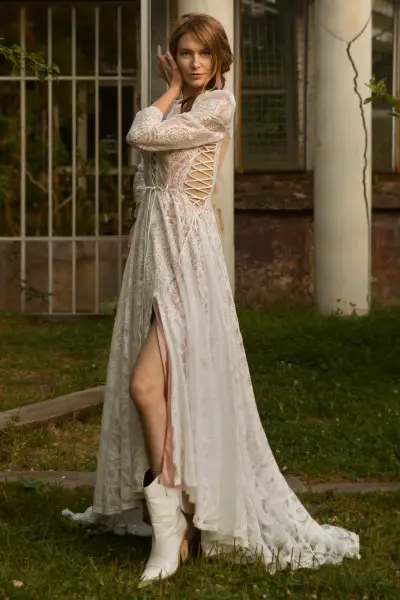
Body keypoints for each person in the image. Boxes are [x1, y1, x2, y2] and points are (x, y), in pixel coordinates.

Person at [63, 12, 360, 588]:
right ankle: (177, 519)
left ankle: (172, 528)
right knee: (160, 390)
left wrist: (170, 86)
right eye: (184, 53)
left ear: (219, 58)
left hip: (187, 264)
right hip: (154, 260)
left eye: (202, 54)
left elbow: (139, 133)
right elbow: (149, 184)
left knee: (147, 385)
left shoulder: (215, 108)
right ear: (171, 53)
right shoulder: (179, 110)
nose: (194, 63)